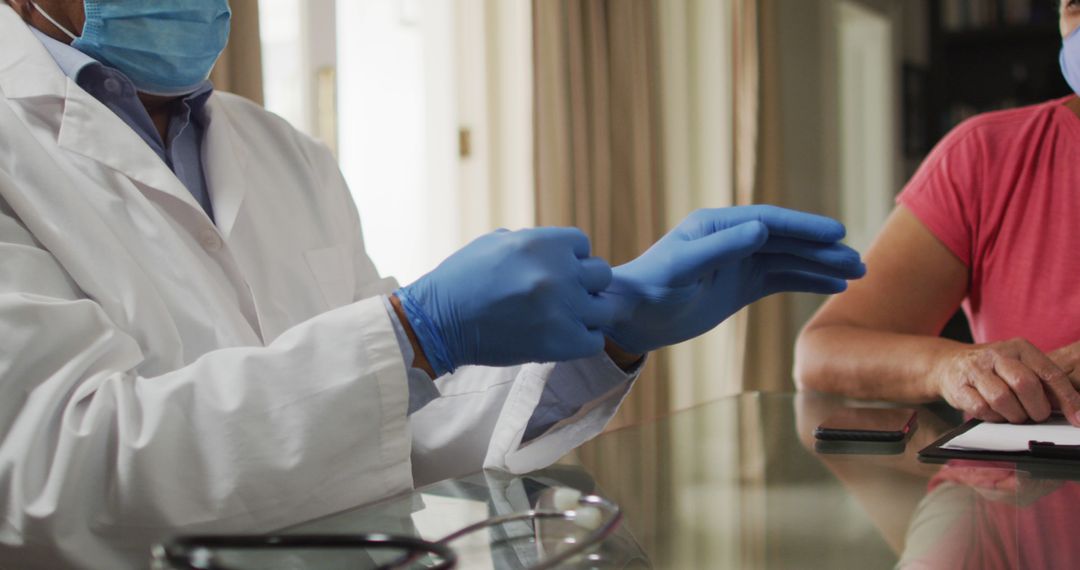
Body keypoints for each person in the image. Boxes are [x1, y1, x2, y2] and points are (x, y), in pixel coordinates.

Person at [0, 0, 865, 567]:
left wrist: (611, 331)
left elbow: (387, 431)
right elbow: (59, 468)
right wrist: (415, 330)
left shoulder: (280, 153)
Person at [795, 1, 1080, 427]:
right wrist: (954, 366)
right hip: (1031, 489)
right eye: (1074, 5)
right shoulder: (987, 157)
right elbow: (823, 352)